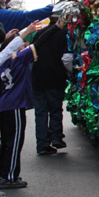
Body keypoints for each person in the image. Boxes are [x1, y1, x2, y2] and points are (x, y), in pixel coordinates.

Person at [0, 22, 42, 189]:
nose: (25, 45)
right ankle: (9, 175)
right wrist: (54, 27)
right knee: (14, 141)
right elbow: (40, 42)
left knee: (7, 141)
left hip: (3, 104)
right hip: (14, 105)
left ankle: (3, 172)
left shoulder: (2, 59)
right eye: (22, 43)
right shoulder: (18, 58)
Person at [31, 15, 70, 155]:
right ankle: (56, 137)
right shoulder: (64, 33)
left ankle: (42, 144)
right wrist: (68, 72)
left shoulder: (39, 33)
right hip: (55, 76)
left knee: (41, 112)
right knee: (55, 109)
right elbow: (67, 58)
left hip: (37, 77)